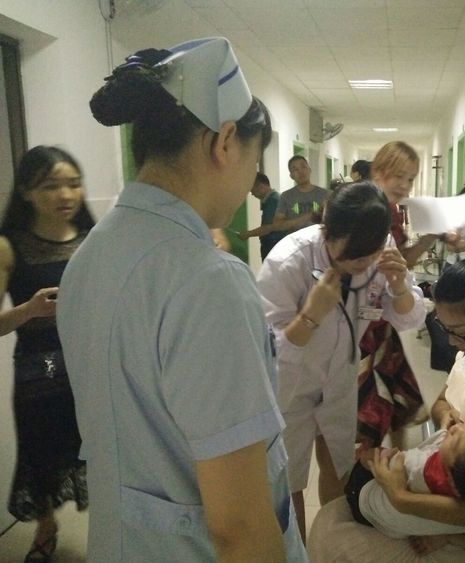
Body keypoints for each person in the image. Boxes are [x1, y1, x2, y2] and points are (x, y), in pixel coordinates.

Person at [57, 38, 306, 562]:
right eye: (255, 160)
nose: (250, 182)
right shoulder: (209, 280)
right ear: (225, 141)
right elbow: (239, 526)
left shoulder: (89, 257)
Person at [308, 253, 465, 562]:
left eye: (459, 331)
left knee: (335, 541)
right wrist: (447, 418)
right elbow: (441, 404)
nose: (451, 342)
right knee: (332, 520)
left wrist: (400, 497)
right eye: (444, 328)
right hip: (449, 494)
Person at [257, 181, 426, 541]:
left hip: (340, 381)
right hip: (291, 388)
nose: (362, 266)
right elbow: (268, 352)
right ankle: (300, 551)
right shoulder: (288, 261)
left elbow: (408, 319)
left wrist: (399, 286)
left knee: (338, 465)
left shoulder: (380, 249)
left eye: (369, 257)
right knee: (290, 480)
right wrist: (310, 316)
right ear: (326, 232)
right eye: (353, 258)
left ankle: (330, 543)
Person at [0, 145, 92, 563]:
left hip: (91, 366)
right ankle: (46, 525)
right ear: (26, 192)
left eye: (73, 183)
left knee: (99, 448)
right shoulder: (9, 247)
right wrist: (29, 310)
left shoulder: (93, 239)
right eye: (51, 185)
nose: (66, 194)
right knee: (41, 454)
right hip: (40, 373)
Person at [357, 141, 444, 451]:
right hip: (353, 323)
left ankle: (393, 455)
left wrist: (431, 237)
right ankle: (373, 459)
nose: (405, 186)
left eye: (411, 179)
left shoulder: (390, 212)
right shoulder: (361, 211)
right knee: (367, 403)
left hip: (379, 320)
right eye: (399, 176)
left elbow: (401, 263)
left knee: (390, 395)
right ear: (378, 172)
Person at [346, 420, 465, 555]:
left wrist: (371, 455)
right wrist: (449, 537)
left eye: (455, 441)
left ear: (454, 483)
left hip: (363, 500)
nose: (457, 428)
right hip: (396, 525)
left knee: (374, 456)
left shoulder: (414, 468)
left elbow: (371, 459)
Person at [270, 155, 328, 237]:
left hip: (320, 240)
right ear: (291, 176)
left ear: (309, 170)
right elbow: (277, 225)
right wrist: (306, 217)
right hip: (295, 241)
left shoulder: (325, 194)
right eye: (295, 169)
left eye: (303, 167)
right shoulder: (286, 196)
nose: (300, 172)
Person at [238, 172, 284, 260]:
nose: (252, 194)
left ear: (261, 186)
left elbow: (267, 228)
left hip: (273, 245)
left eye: (252, 190)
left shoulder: (272, 201)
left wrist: (248, 234)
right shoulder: (276, 198)